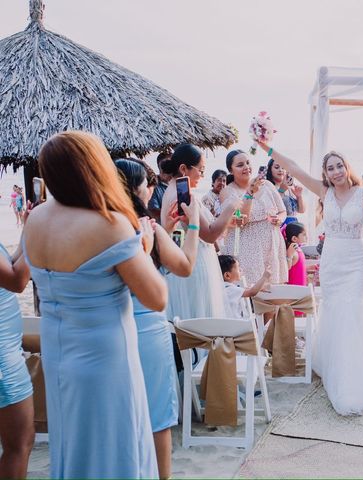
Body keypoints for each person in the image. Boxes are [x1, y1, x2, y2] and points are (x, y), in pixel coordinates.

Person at [22, 131, 167, 478]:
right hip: (107, 357)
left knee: (75, 446)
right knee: (114, 447)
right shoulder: (110, 224)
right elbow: (157, 297)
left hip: (59, 353)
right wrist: (143, 247)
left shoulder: (36, 220)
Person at [257, 142, 363, 415]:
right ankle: (337, 366)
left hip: (356, 260)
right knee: (335, 311)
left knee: (351, 309)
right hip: (332, 261)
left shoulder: (362, 194)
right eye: (330, 168)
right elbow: (295, 169)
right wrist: (267, 147)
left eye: (339, 166)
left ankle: (353, 376)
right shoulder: (325, 192)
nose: (336, 172)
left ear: (347, 167)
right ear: (326, 173)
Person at [116, 158, 200, 479]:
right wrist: (191, 224)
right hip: (149, 332)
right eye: (148, 181)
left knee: (125, 416)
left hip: (116, 333)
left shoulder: (104, 226)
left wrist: (170, 229)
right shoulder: (145, 228)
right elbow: (186, 266)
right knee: (157, 418)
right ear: (138, 188)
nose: (152, 187)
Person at [160, 144, 238, 321]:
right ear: (183, 169)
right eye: (200, 170)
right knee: (202, 322)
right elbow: (209, 235)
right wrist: (231, 207)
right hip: (196, 265)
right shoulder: (183, 197)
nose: (202, 176)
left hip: (186, 263)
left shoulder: (171, 191)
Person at [220, 150, 288, 285]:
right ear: (231, 170)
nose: (246, 167)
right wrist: (250, 193)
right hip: (246, 247)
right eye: (240, 165)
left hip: (271, 244)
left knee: (273, 291)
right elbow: (242, 219)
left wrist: (280, 219)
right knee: (251, 289)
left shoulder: (267, 184)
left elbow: (282, 210)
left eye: (248, 163)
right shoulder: (228, 192)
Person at [0, 241, 33, 479]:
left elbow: (7, 265)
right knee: (19, 443)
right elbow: (17, 280)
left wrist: (27, 235)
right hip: (3, 361)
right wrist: (40, 236)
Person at [219, 254, 271, 319]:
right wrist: (264, 277)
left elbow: (247, 289)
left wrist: (259, 288)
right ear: (227, 275)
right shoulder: (231, 289)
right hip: (237, 323)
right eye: (238, 268)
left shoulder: (220, 287)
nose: (240, 270)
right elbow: (252, 292)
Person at [266, 158, 306, 224]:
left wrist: (299, 196)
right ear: (270, 170)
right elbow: (270, 209)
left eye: (283, 168)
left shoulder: (291, 188)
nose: (280, 170)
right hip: (280, 224)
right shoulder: (268, 187)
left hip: (294, 225)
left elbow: (302, 210)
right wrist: (281, 191)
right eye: (277, 167)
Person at [284, 221, 309, 286]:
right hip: (294, 290)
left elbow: (298, 267)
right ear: (294, 238)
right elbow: (286, 268)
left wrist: (310, 267)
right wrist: (289, 255)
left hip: (300, 289)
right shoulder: (292, 252)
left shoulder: (298, 249)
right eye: (304, 234)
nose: (307, 236)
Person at [148, 151, 172, 222]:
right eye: (165, 164)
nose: (168, 166)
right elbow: (153, 211)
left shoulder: (177, 183)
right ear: (159, 166)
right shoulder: (153, 186)